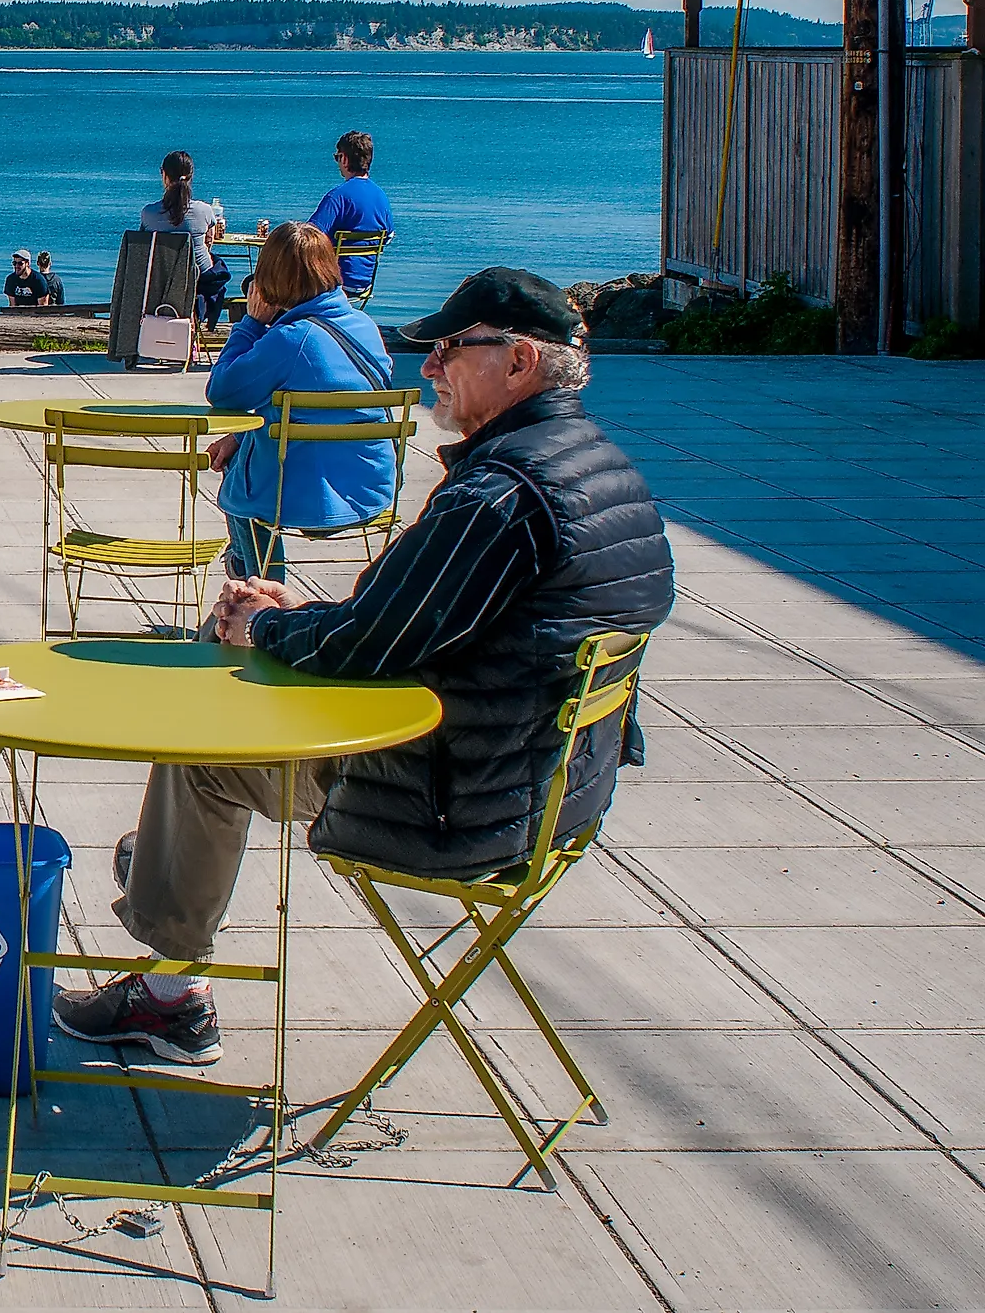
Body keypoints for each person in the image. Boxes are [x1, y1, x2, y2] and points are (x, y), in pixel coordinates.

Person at [55, 267, 675, 1066]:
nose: (430, 365)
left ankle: (170, 997)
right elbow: (411, 629)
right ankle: (162, 864)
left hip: (454, 801)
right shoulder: (605, 470)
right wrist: (290, 622)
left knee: (204, 750)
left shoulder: (502, 496)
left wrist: (270, 624)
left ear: (519, 361)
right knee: (234, 655)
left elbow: (370, 647)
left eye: (451, 349)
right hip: (554, 789)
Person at [203, 223, 397, 581]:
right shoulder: (365, 326)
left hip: (306, 498)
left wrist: (250, 324)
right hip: (371, 488)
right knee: (247, 445)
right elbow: (319, 417)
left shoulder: (291, 340)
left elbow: (222, 390)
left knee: (239, 475)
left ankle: (258, 580)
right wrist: (240, 437)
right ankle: (248, 570)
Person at [138, 149, 229, 327]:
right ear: (190, 176)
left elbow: (144, 247)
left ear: (164, 176)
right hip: (198, 281)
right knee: (218, 267)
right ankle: (196, 323)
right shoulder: (205, 210)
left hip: (159, 284)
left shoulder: (148, 213)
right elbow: (209, 242)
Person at [310, 129, 396, 297]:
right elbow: (388, 235)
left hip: (332, 284)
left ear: (345, 158)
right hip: (363, 284)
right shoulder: (381, 196)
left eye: (338, 157)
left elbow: (308, 236)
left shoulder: (338, 197)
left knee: (258, 282)